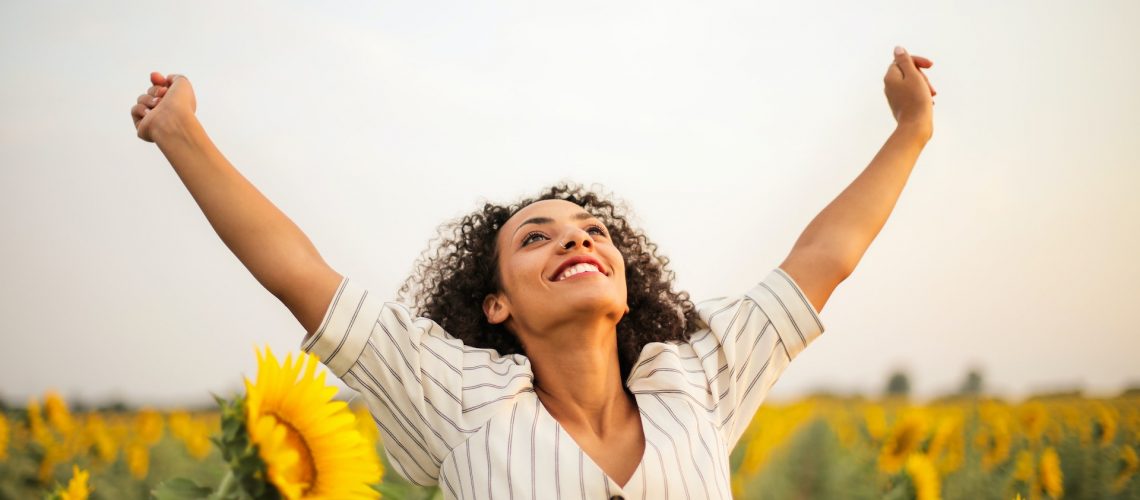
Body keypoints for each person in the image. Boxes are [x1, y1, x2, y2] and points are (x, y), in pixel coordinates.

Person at [130, 45, 935, 499]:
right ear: (494, 305)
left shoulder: (694, 378)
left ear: (626, 286)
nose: (575, 241)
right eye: (536, 238)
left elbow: (823, 261)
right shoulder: (461, 400)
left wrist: (911, 130)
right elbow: (298, 273)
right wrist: (181, 133)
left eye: (592, 232)